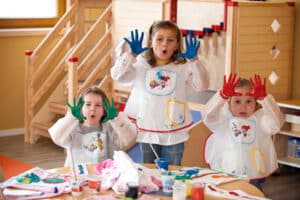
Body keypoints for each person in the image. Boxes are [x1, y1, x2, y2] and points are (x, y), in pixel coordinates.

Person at [111, 20, 209, 165]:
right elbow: (116, 75)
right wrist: (130, 55)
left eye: (170, 40)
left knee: (172, 173)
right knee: (150, 173)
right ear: (151, 41)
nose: (164, 44)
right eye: (159, 39)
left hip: (174, 131)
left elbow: (202, 86)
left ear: (176, 45)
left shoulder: (183, 66)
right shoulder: (140, 64)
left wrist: (194, 61)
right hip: (148, 130)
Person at [203, 73, 284, 190]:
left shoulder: (261, 120)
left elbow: (276, 123)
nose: (243, 107)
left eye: (249, 101)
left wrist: (265, 99)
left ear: (256, 103)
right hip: (226, 175)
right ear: (228, 103)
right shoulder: (223, 120)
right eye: (237, 101)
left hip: (253, 176)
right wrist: (222, 96)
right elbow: (208, 117)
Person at [49, 87, 130, 166]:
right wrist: (71, 117)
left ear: (104, 110)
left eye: (98, 105)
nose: (92, 108)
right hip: (77, 174)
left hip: (103, 174)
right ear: (81, 109)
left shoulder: (110, 127)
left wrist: (116, 119)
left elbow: (128, 139)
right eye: (88, 104)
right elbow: (56, 136)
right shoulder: (73, 128)